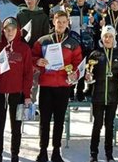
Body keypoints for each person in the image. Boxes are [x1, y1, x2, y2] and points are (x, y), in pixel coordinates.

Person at [32, 11, 82, 162]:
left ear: (68, 23)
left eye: (63, 22)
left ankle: (56, 151)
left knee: (59, 120)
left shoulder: (73, 43)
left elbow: (78, 64)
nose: (60, 24)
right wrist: (38, 61)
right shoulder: (43, 41)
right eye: (58, 21)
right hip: (46, 85)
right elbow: (33, 57)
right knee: (44, 120)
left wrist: (74, 74)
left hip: (63, 86)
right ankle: (42, 151)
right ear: (53, 22)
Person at [0, 17, 33, 162]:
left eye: (13, 29)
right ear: (3, 31)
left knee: (16, 126)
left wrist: (27, 94)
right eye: (7, 29)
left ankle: (14, 154)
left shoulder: (24, 48)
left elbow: (28, 74)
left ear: (17, 30)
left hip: (16, 93)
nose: (10, 32)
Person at [86, 25, 118, 162]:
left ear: (114, 38)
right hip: (98, 95)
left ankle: (109, 154)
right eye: (105, 36)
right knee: (97, 125)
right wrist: (88, 77)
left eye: (110, 36)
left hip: (113, 96)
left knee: (109, 125)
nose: (108, 39)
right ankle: (94, 153)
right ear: (102, 38)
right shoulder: (95, 54)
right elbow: (89, 74)